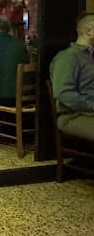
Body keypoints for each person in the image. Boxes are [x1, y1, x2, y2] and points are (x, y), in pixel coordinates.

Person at [49, 11, 94, 141]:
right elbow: (64, 94)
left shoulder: (90, 56)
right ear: (89, 31)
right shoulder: (68, 57)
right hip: (73, 116)